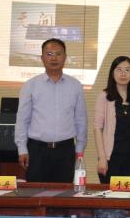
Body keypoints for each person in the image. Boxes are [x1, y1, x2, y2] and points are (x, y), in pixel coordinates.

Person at [15, 38, 87, 183]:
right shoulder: (30, 85)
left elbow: (81, 120)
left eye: (58, 54)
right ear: (42, 58)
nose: (54, 58)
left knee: (64, 193)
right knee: (35, 193)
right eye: (49, 54)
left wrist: (79, 150)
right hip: (37, 151)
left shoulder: (75, 86)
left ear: (65, 57)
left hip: (66, 150)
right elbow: (22, 120)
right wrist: (22, 149)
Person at [94, 55, 130, 183]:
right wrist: (102, 158)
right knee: (109, 194)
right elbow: (97, 128)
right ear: (112, 73)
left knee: (127, 194)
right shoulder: (104, 96)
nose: (123, 73)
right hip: (110, 158)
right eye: (119, 69)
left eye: (127, 70)